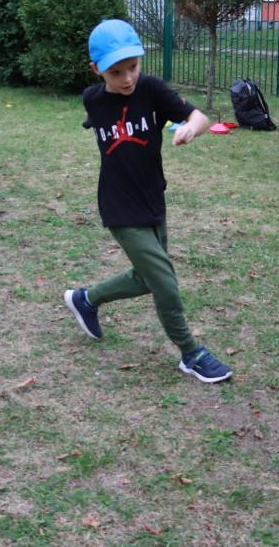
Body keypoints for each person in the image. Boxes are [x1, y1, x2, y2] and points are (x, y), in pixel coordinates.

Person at [63, 19, 233, 384]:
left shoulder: (152, 89)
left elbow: (198, 116)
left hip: (154, 200)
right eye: (115, 72)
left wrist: (190, 128)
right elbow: (97, 115)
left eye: (133, 66)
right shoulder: (93, 99)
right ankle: (191, 354)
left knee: (147, 278)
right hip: (120, 208)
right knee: (166, 282)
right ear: (96, 70)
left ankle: (86, 299)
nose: (127, 78)